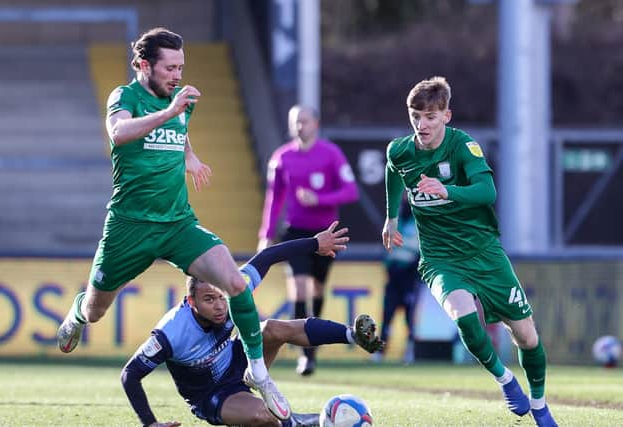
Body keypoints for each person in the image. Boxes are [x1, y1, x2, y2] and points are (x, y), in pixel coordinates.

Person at [56, 27, 290, 420]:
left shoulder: (183, 101)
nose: (177, 75)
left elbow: (178, 133)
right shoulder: (125, 97)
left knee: (234, 283)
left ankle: (259, 371)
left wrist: (190, 157)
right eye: (170, 67)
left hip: (178, 223)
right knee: (97, 310)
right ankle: (77, 313)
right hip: (130, 227)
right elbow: (119, 133)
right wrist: (169, 112)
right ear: (144, 65)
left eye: (181, 66)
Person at [382, 76, 558, 427]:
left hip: (485, 254)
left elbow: (487, 191)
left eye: (431, 116)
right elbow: (392, 171)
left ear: (447, 116)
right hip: (440, 259)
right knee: (463, 315)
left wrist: (447, 191)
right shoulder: (400, 151)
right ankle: (505, 380)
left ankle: (539, 405)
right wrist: (389, 217)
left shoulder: (464, 147)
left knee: (526, 336)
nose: (422, 124)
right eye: (416, 115)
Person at [121, 222, 384, 427]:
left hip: (240, 362)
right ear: (191, 301)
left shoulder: (235, 286)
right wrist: (149, 422)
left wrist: (314, 243)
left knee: (270, 328)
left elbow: (268, 255)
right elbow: (129, 375)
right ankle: (293, 421)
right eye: (209, 299)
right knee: (265, 417)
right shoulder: (172, 331)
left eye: (221, 296)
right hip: (212, 394)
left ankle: (351, 335)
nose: (220, 305)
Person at [257, 105, 359, 376]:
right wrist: (266, 235)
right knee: (300, 288)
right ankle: (303, 354)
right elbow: (274, 199)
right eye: (296, 122)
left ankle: (311, 350)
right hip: (297, 234)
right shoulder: (281, 158)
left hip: (327, 233)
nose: (300, 126)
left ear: (316, 123)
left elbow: (350, 191)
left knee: (316, 291)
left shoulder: (331, 154)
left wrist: (320, 199)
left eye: (305, 121)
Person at [371, 201, 421, 365]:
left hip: (410, 275)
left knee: (409, 316)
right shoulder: (395, 221)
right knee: (387, 315)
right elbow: (387, 249)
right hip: (394, 275)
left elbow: (420, 250)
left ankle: (410, 351)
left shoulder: (419, 222)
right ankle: (380, 352)